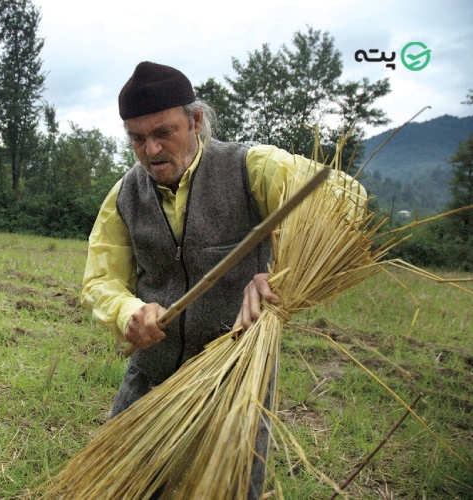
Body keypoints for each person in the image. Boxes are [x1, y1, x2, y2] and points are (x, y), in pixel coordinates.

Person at [81, 61, 366, 498]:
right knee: (120, 487)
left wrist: (278, 277)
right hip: (154, 375)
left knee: (229, 490)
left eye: (164, 132)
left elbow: (346, 198)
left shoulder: (250, 166)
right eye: (137, 139)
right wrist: (129, 311)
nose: (151, 149)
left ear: (195, 120)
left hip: (236, 380)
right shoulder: (124, 196)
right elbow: (100, 280)